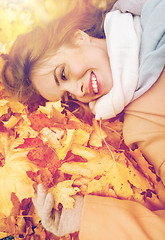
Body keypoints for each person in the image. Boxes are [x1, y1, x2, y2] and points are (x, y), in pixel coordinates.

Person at [1, 0, 165, 239]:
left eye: (63, 74)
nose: (78, 92)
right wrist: (82, 217)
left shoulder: (147, 7)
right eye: (68, 96)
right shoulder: (144, 126)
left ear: (78, 37)